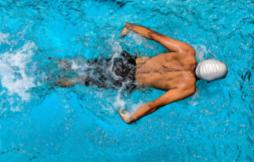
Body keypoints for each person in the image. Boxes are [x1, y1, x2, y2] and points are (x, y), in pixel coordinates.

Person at [56, 23, 228, 124]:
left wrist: (130, 27)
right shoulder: (188, 87)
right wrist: (132, 118)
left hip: (127, 62)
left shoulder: (187, 52)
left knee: (81, 64)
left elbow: (153, 35)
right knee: (81, 79)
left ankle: (55, 61)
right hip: (128, 81)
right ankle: (49, 82)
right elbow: (153, 105)